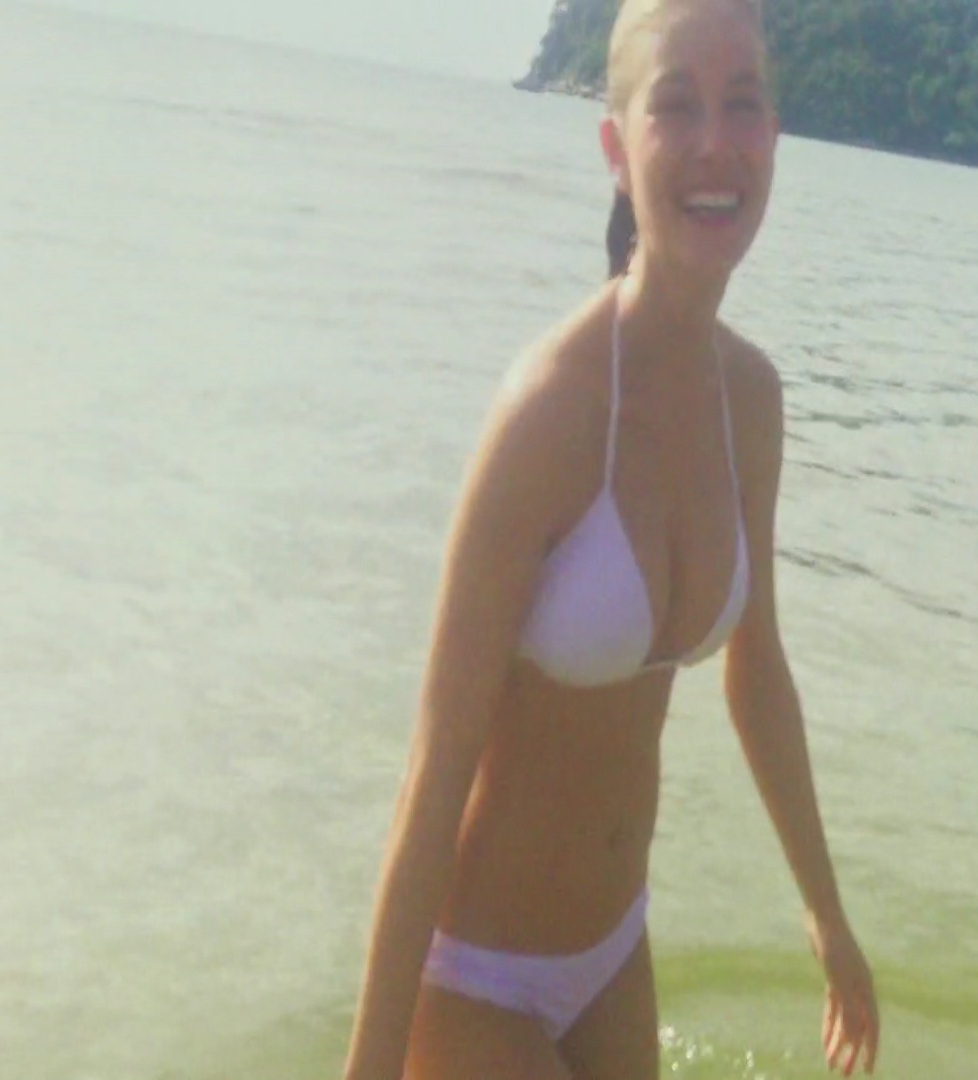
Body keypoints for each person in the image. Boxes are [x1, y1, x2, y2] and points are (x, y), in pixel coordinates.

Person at [339, 2, 881, 1078]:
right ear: (616, 149)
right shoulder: (551, 412)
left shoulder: (750, 400)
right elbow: (434, 771)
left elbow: (757, 671)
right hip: (474, 976)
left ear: (775, 140)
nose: (716, 142)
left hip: (615, 955)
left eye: (743, 104)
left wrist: (827, 918)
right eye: (676, 105)